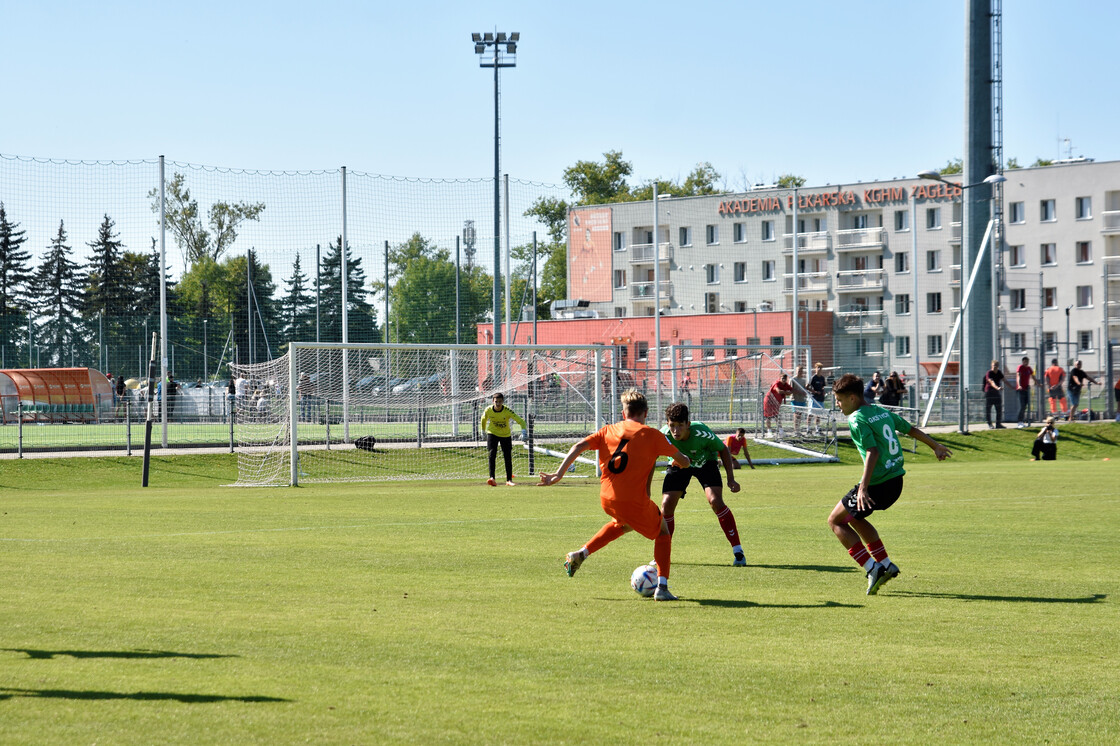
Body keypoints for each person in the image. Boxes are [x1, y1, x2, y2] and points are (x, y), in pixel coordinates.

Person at [537, 389, 690, 601]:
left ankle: (581, 554)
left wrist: (558, 475)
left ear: (623, 412)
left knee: (622, 524)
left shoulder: (607, 430)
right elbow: (684, 461)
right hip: (632, 501)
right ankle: (662, 588)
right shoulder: (653, 434)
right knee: (663, 532)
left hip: (607, 498)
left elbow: (578, 446)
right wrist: (680, 460)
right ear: (645, 413)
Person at [828, 373, 952, 595]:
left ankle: (872, 568)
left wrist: (863, 488)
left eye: (839, 400)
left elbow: (872, 452)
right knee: (854, 517)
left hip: (877, 484)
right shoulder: (881, 412)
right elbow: (909, 429)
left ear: (853, 398)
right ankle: (885, 564)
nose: (838, 405)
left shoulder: (856, 419)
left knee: (835, 521)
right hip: (896, 482)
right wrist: (935, 446)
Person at [659, 403, 745, 566]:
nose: (675, 431)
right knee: (666, 505)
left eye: (680, 426)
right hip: (678, 464)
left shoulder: (702, 433)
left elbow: (724, 450)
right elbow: (650, 456)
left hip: (706, 463)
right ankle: (663, 553)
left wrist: (731, 479)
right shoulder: (663, 435)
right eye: (672, 426)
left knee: (715, 501)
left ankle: (738, 551)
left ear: (688, 424)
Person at [480, 392, 527, 486]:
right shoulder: (488, 410)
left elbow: (521, 421)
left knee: (507, 456)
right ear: (493, 401)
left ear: (503, 402)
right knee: (492, 454)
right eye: (496, 402)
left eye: (500, 402)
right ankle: (492, 478)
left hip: (505, 435)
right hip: (492, 433)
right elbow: (483, 419)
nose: (498, 404)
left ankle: (509, 480)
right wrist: (483, 430)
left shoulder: (507, 411)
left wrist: (524, 432)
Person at [763, 373, 793, 437]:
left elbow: (791, 391)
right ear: (780, 378)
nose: (784, 380)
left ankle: (781, 431)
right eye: (783, 378)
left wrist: (787, 392)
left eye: (785, 378)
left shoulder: (786, 384)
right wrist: (786, 392)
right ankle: (769, 432)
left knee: (777, 416)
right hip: (769, 400)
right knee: (769, 416)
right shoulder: (776, 383)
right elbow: (778, 391)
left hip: (777, 402)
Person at [983, 360, 1006, 429]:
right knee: (988, 409)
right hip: (989, 392)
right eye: (993, 365)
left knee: (999, 408)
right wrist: (997, 388)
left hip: (996, 393)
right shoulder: (989, 373)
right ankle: (990, 424)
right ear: (991, 365)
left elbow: (1005, 380)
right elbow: (991, 382)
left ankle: (998, 424)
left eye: (996, 365)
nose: (994, 366)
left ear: (998, 366)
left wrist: (1013, 387)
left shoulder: (999, 372)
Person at [1015, 356, 1036, 428]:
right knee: (1022, 406)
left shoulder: (1029, 368)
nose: (1026, 363)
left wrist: (1038, 384)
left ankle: (1022, 421)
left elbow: (1033, 376)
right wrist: (1019, 385)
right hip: (1020, 390)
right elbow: (1018, 376)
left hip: (1026, 390)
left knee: (1025, 406)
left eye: (1027, 361)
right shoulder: (1020, 367)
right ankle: (1019, 421)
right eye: (1025, 361)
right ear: (1023, 362)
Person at [809, 362, 828, 434]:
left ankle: (817, 429)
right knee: (811, 413)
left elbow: (823, 386)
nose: (819, 369)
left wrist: (823, 391)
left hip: (820, 398)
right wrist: (814, 392)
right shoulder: (813, 377)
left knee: (818, 414)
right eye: (818, 368)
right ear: (815, 369)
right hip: (814, 398)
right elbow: (807, 387)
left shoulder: (822, 378)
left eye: (820, 368)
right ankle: (808, 429)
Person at [790, 365, 809, 434]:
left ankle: (798, 430)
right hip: (795, 399)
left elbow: (804, 389)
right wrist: (800, 392)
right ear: (796, 371)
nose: (800, 372)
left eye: (801, 371)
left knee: (800, 415)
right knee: (796, 414)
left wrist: (806, 390)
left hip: (802, 400)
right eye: (798, 371)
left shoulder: (803, 380)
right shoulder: (793, 379)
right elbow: (791, 390)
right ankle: (795, 430)